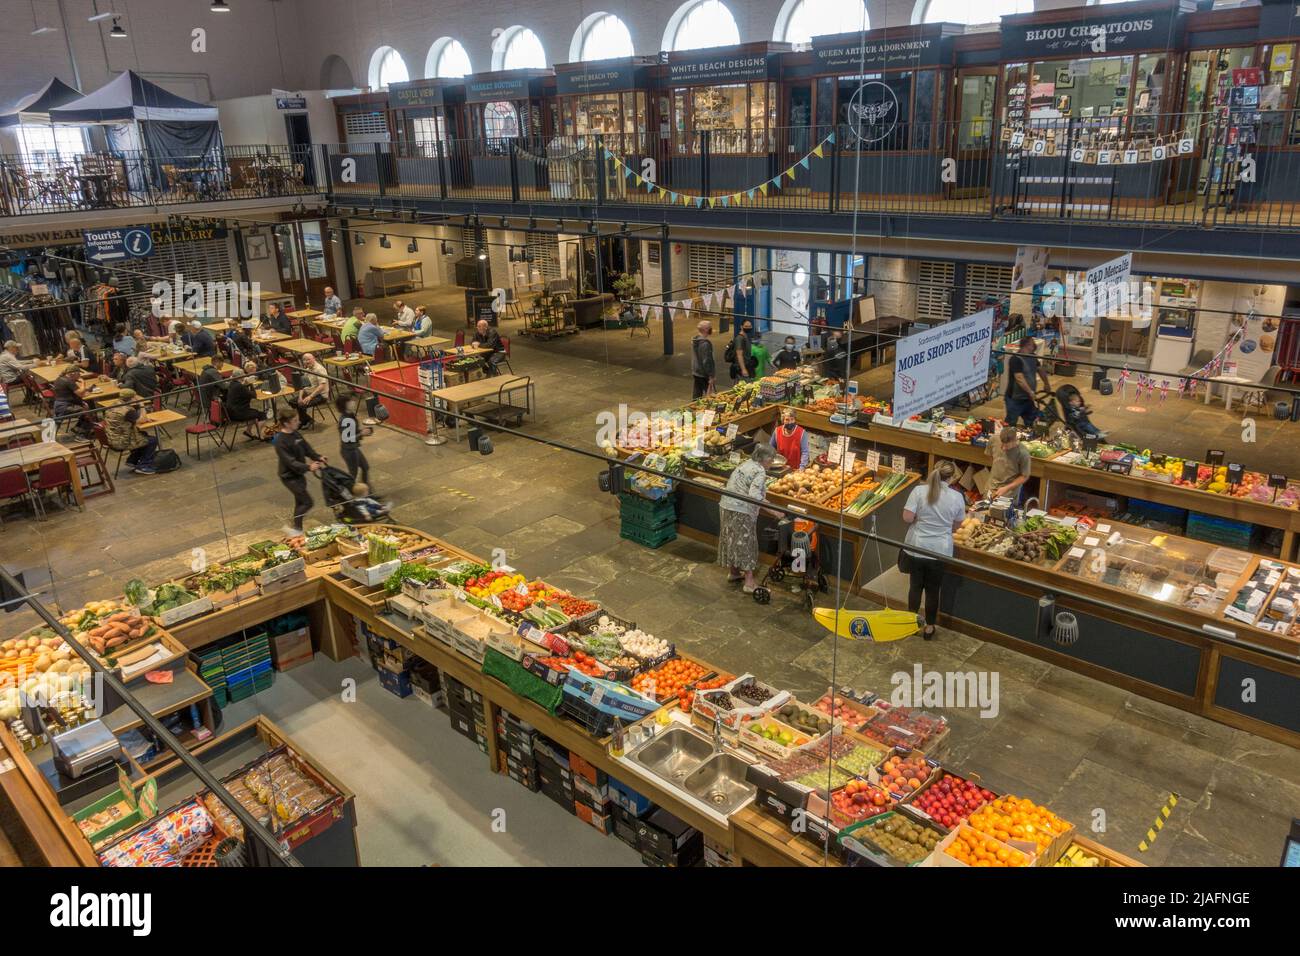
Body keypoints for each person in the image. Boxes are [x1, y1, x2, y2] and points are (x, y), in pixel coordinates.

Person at [900, 460, 965, 641]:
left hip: (917, 547)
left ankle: (911, 623)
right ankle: (929, 627)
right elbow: (957, 525)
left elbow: (907, 517)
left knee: (915, 587)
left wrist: (920, 520)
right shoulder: (957, 497)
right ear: (951, 478)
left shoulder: (919, 491)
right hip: (940, 550)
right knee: (933, 590)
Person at [717, 443, 780, 593]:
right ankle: (749, 583)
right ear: (765, 459)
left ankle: (734, 572)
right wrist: (774, 511)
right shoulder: (759, 471)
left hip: (726, 505)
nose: (771, 464)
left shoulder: (746, 464)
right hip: (741, 510)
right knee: (746, 543)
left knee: (731, 539)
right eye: (771, 461)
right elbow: (754, 496)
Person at [272, 405, 326, 532]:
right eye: (295, 421)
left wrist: (318, 457)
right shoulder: (280, 441)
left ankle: (297, 528)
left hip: (298, 474)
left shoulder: (295, 433)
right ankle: (295, 528)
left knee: (300, 502)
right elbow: (290, 462)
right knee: (307, 502)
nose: (299, 422)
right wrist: (309, 467)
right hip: (289, 476)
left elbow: (306, 449)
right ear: (286, 423)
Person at [104, 389, 159, 475]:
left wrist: (139, 419)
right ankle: (144, 466)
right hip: (122, 441)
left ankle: (133, 460)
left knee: (144, 435)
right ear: (133, 398)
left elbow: (131, 420)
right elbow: (142, 419)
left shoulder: (114, 405)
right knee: (153, 440)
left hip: (112, 438)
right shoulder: (128, 410)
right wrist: (141, 404)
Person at [1004, 336, 1049, 427]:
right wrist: (1030, 391)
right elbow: (1019, 378)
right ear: (1027, 345)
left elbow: (1040, 370)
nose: (1035, 346)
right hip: (1015, 399)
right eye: (1033, 344)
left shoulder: (1032, 356)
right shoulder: (1016, 359)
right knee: (1011, 423)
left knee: (1032, 420)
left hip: (1028, 399)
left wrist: (1046, 383)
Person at [336, 393, 373, 490]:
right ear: (345, 405)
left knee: (365, 467)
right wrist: (361, 434)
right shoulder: (346, 420)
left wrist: (363, 431)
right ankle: (348, 495)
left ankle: (366, 492)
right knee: (353, 475)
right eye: (350, 401)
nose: (354, 402)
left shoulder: (350, 415)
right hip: (349, 451)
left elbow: (352, 433)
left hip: (353, 448)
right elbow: (346, 438)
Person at [988, 426, 1032, 502]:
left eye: (1007, 446)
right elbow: (990, 456)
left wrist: (1006, 488)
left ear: (1015, 441)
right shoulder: (994, 439)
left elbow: (1024, 476)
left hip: (1009, 492)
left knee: (1003, 512)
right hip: (991, 485)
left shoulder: (1023, 453)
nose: (1003, 448)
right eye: (1002, 444)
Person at [225, 362, 266, 440]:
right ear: (241, 376)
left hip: (231, 412)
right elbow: (254, 395)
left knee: (254, 412)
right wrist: (250, 384)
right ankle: (261, 435)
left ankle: (248, 431)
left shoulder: (232, 384)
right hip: (238, 413)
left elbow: (243, 391)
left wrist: (245, 384)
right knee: (262, 415)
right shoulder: (240, 386)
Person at [287, 352, 329, 429]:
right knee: (292, 402)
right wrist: (300, 397)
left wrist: (310, 397)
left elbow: (322, 386)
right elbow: (303, 385)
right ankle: (308, 420)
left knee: (302, 404)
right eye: (304, 360)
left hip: (320, 395)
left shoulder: (320, 369)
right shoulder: (307, 369)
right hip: (309, 392)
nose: (306, 362)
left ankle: (303, 421)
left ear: (314, 359)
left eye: (308, 359)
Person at [51, 365, 93, 438]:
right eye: (78, 374)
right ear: (72, 374)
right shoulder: (69, 382)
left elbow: (76, 393)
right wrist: (83, 383)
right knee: (86, 413)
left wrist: (83, 392)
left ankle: (77, 429)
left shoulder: (59, 379)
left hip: (58, 405)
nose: (80, 376)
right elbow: (80, 393)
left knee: (85, 407)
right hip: (64, 407)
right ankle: (80, 435)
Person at [691, 320, 715, 399]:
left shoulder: (695, 340)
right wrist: (711, 375)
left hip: (696, 371)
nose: (711, 329)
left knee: (697, 395)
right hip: (704, 374)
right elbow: (706, 361)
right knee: (711, 396)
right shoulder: (705, 344)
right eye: (710, 327)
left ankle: (693, 409)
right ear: (706, 329)